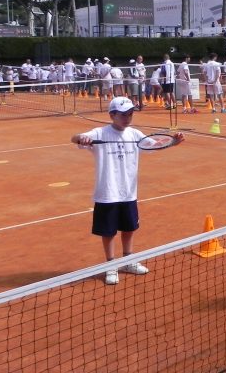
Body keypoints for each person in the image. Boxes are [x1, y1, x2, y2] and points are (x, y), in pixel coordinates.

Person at [71, 97, 184, 285]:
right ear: (112, 115)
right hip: (107, 192)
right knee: (108, 232)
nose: (127, 117)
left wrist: (173, 143)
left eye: (130, 114)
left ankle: (128, 261)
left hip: (129, 191)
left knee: (129, 228)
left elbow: (154, 145)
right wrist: (82, 138)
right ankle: (111, 265)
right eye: (123, 114)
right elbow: (74, 138)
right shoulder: (99, 132)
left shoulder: (134, 134)